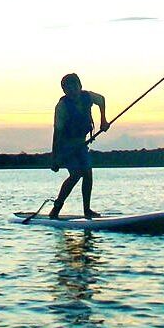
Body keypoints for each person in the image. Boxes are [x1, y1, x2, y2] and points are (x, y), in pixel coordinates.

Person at [49, 73, 109, 219]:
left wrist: (103, 120)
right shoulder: (62, 106)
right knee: (76, 175)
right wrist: (55, 158)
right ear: (64, 91)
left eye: (74, 86)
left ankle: (87, 210)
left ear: (80, 86)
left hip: (81, 144)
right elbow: (57, 132)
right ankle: (56, 208)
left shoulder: (88, 96)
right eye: (67, 89)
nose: (72, 91)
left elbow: (102, 100)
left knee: (87, 173)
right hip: (66, 146)